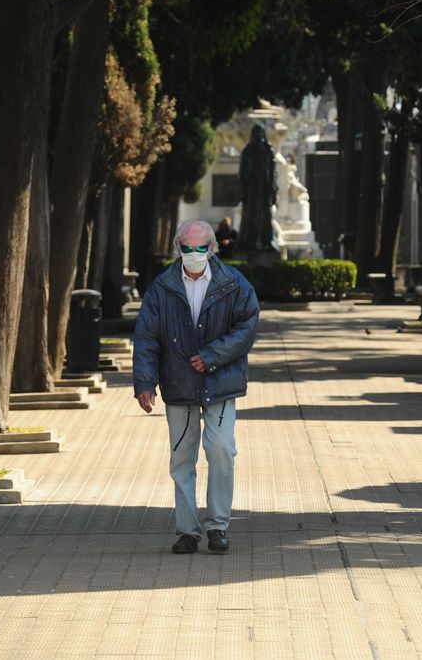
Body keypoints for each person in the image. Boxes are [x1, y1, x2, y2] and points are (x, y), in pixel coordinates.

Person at [133, 219, 260, 554]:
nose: (192, 253)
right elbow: (146, 337)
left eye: (200, 247)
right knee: (181, 460)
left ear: (213, 248)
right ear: (178, 248)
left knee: (221, 450)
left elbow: (247, 327)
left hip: (220, 383)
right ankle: (187, 531)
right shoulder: (161, 287)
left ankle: (217, 526)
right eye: (186, 248)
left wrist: (212, 356)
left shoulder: (233, 283)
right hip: (178, 384)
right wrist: (144, 383)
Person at [237, 124, 278, 252]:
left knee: (266, 215)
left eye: (261, 133)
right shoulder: (248, 151)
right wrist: (243, 189)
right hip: (251, 189)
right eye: (256, 133)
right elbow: (243, 172)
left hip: (265, 189)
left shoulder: (268, 151)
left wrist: (274, 188)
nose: (259, 136)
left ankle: (267, 240)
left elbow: (273, 172)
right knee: (251, 215)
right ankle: (250, 241)